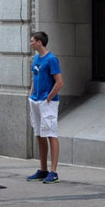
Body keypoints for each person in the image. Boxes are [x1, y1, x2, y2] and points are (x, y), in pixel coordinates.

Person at [27, 31, 64, 184]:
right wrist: (31, 95)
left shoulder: (51, 59)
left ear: (39, 42)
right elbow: (35, 79)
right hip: (35, 100)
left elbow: (59, 82)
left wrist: (48, 98)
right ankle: (43, 169)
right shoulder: (36, 59)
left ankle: (54, 171)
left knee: (51, 133)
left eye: (32, 41)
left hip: (47, 102)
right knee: (39, 133)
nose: (30, 43)